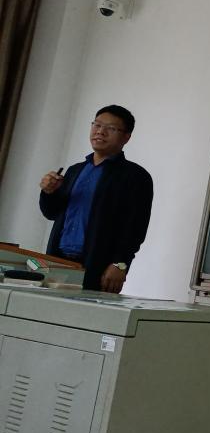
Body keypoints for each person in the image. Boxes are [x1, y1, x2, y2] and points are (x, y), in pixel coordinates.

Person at [39, 105, 153, 293]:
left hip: (99, 267)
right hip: (58, 261)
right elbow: (51, 213)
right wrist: (48, 192)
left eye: (111, 128)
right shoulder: (75, 170)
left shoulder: (136, 176)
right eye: (97, 125)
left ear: (126, 137)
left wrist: (120, 264)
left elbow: (135, 228)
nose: (100, 131)